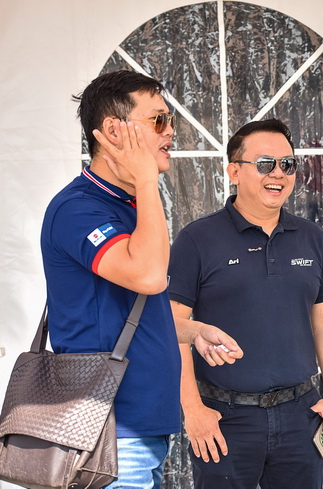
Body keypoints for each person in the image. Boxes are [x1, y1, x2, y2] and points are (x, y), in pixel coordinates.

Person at [40, 70, 238, 488]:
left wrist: (192, 331)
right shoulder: (78, 209)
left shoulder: (129, 207)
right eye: (158, 120)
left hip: (138, 433)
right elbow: (148, 276)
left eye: (170, 121)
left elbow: (120, 314)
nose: (171, 132)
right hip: (107, 436)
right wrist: (147, 178)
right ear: (114, 131)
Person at [167, 119, 323, 489]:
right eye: (265, 164)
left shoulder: (311, 238)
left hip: (301, 415)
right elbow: (171, 327)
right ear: (234, 172)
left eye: (288, 164)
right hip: (225, 419)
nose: (278, 174)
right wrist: (193, 409)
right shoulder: (197, 239)